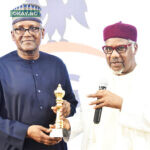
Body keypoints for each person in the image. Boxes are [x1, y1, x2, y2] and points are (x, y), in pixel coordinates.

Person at [0, 3, 78, 150]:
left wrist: (67, 108)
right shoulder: (1, 67)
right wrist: (26, 132)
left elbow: (71, 103)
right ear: (12, 35)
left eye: (33, 28)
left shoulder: (57, 64)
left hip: (55, 146)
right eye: (20, 29)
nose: (27, 33)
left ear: (42, 32)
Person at [63, 22, 150, 150]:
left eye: (121, 48)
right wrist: (68, 126)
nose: (114, 55)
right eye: (108, 49)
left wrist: (121, 104)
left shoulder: (146, 78)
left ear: (135, 48)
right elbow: (87, 117)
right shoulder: (97, 78)